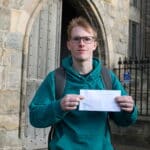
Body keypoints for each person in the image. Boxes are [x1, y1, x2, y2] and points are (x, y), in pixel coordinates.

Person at [29, 16, 138, 150]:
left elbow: (124, 121)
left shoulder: (107, 77)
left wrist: (130, 110)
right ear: (69, 44)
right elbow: (35, 117)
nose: (81, 43)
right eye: (76, 39)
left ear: (94, 45)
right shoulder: (55, 78)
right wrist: (58, 106)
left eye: (87, 39)